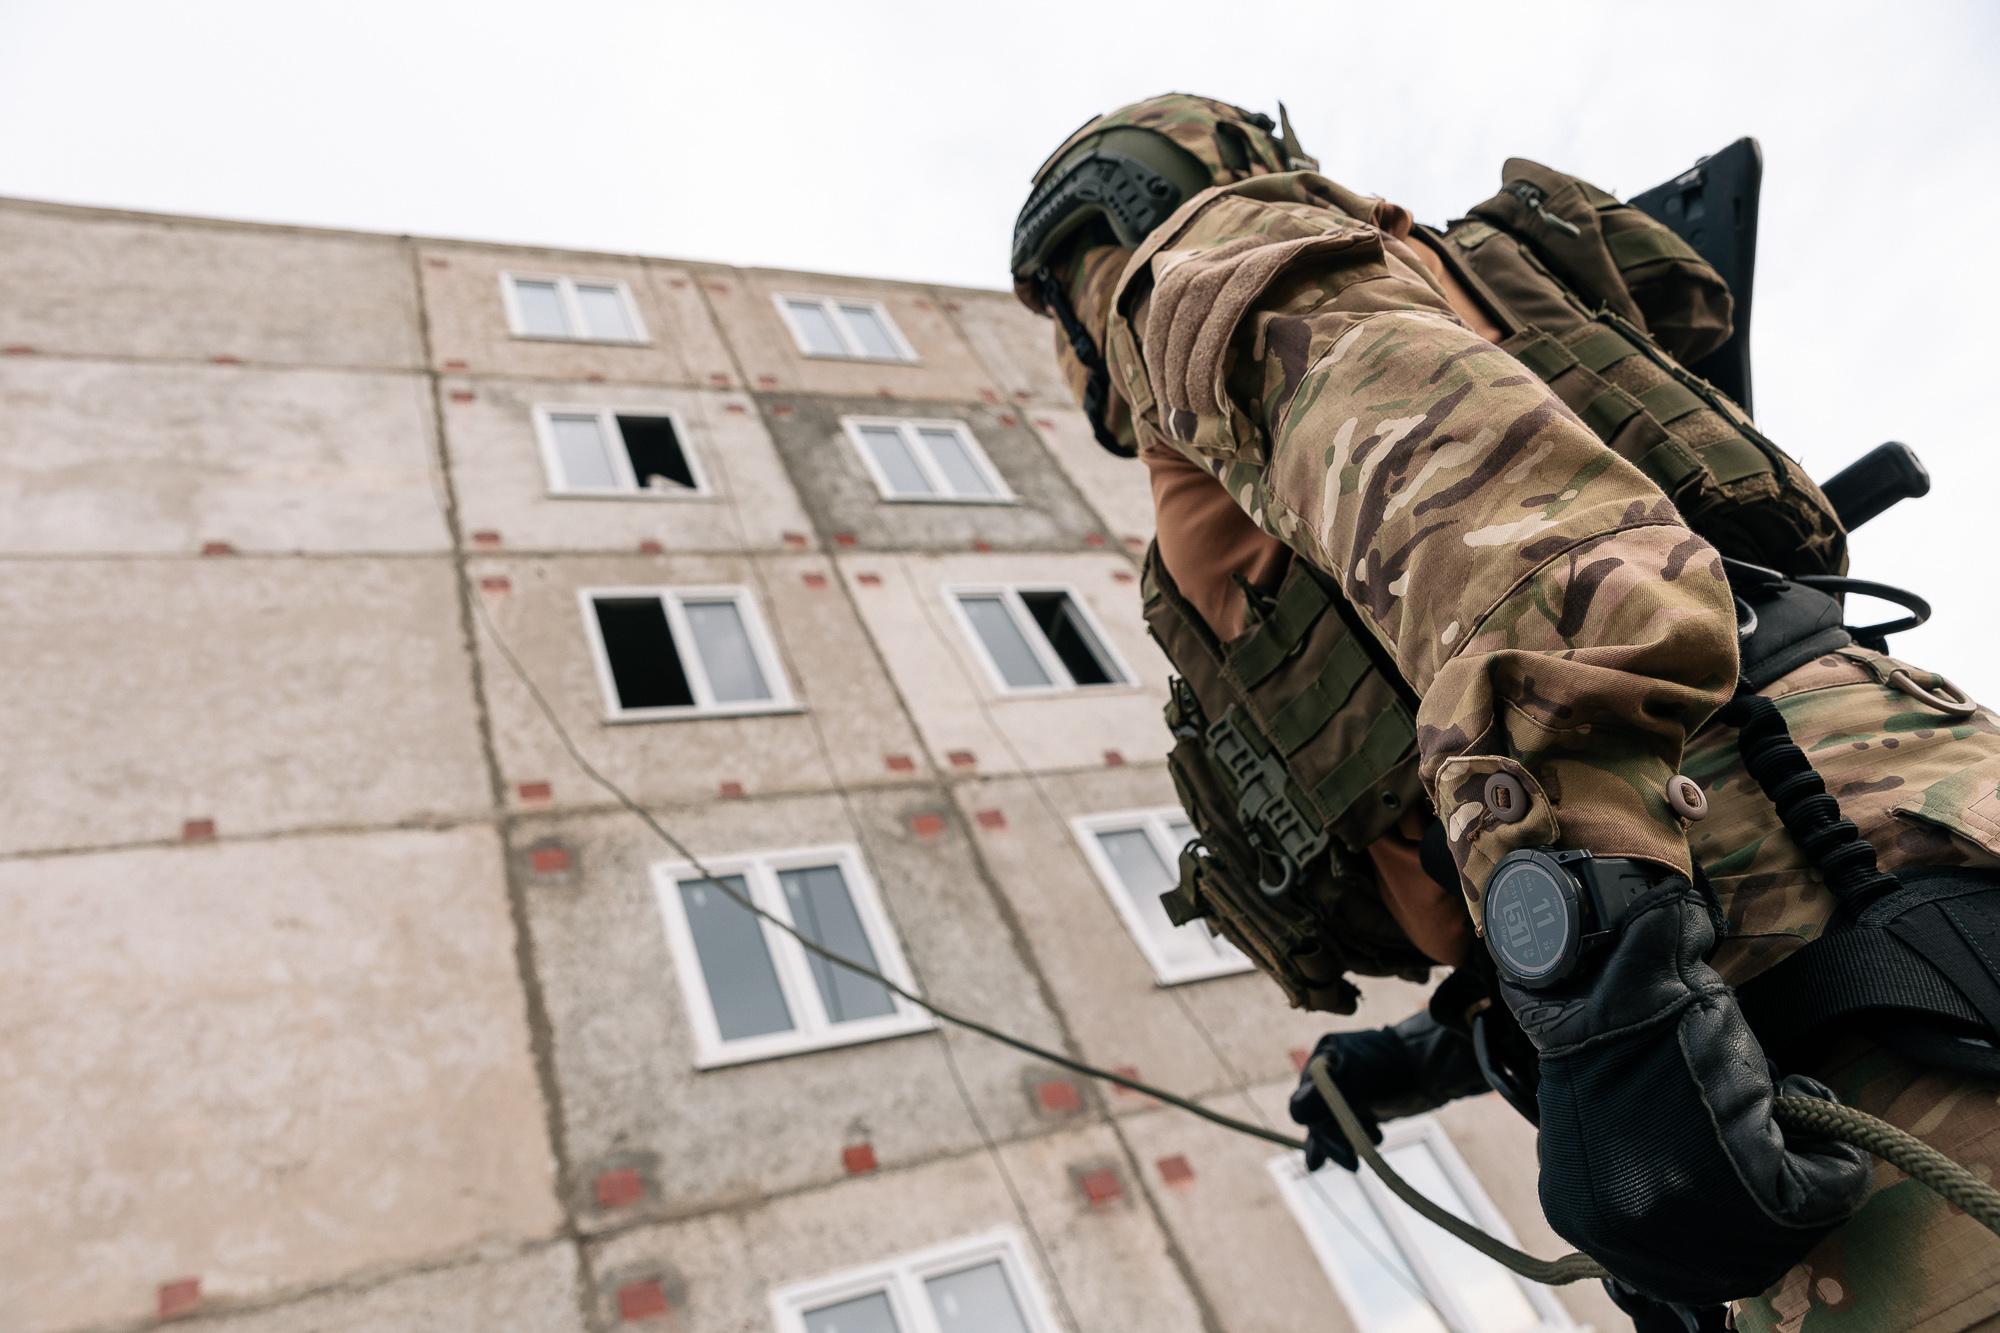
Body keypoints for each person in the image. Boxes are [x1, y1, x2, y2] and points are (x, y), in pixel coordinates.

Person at [1009, 93, 2000, 1331]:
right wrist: (1424, 1055)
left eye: (1058, 300)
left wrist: (1596, 978)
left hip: (1804, 907)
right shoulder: (1428, 290)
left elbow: (1514, 539)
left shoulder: (1196, 278)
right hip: (1807, 889)